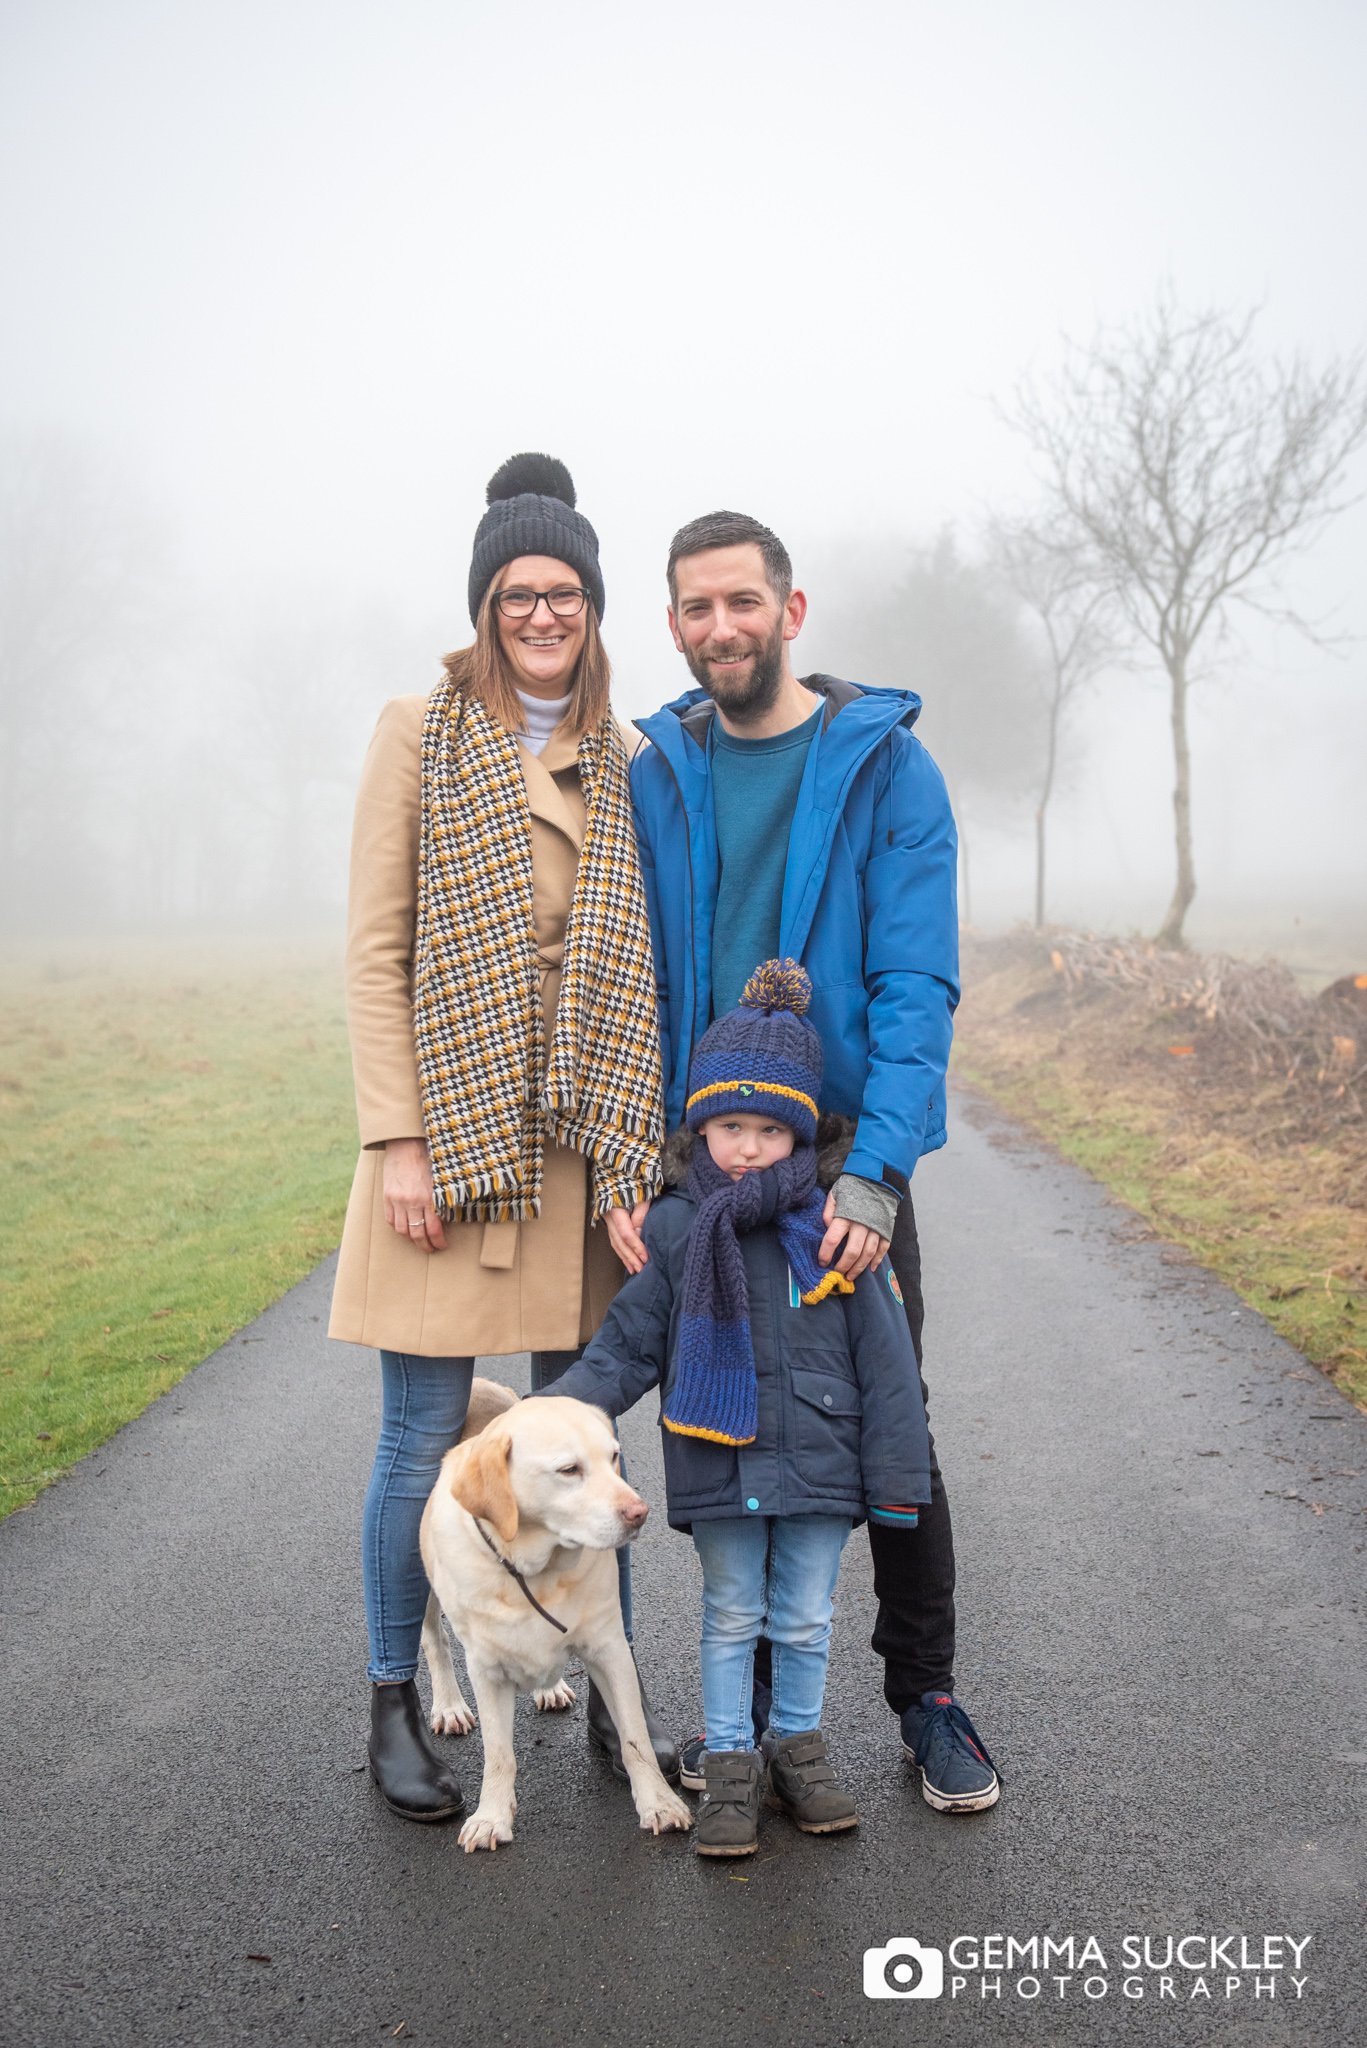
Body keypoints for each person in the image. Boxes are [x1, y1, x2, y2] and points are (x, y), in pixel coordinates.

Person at [615, 509, 1000, 1814]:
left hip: (839, 1155)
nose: (717, 626)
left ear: (789, 610)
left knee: (888, 1415)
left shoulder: (888, 769)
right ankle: (765, 1728)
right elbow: (628, 974)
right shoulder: (652, 768)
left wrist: (876, 1171)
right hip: (700, 1158)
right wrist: (640, 1158)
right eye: (692, 607)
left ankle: (926, 1698)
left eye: (740, 601)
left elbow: (913, 983)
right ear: (670, 623)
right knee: (736, 1428)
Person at [328, 453, 679, 1822]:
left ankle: (609, 1711)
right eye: (517, 592)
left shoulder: (632, 756)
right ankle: (393, 1701)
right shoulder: (417, 729)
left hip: (579, 1147)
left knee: (578, 1439)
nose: (542, 613)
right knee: (421, 1445)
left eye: (565, 592)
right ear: (485, 604)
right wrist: (395, 1141)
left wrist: (642, 1155)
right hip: (446, 1145)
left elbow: (652, 953)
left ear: (592, 606)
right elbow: (372, 955)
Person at [542, 961, 933, 1857]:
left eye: (767, 1129)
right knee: (729, 1614)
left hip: (822, 1465)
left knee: (802, 1615)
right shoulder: (681, 1228)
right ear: (701, 1128)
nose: (747, 1148)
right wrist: (546, 1416)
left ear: (798, 1134)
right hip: (718, 1456)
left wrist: (897, 1481)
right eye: (728, 1127)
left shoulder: (833, 1230)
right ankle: (729, 1768)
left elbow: (887, 1367)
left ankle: (797, 1747)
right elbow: (627, 1347)